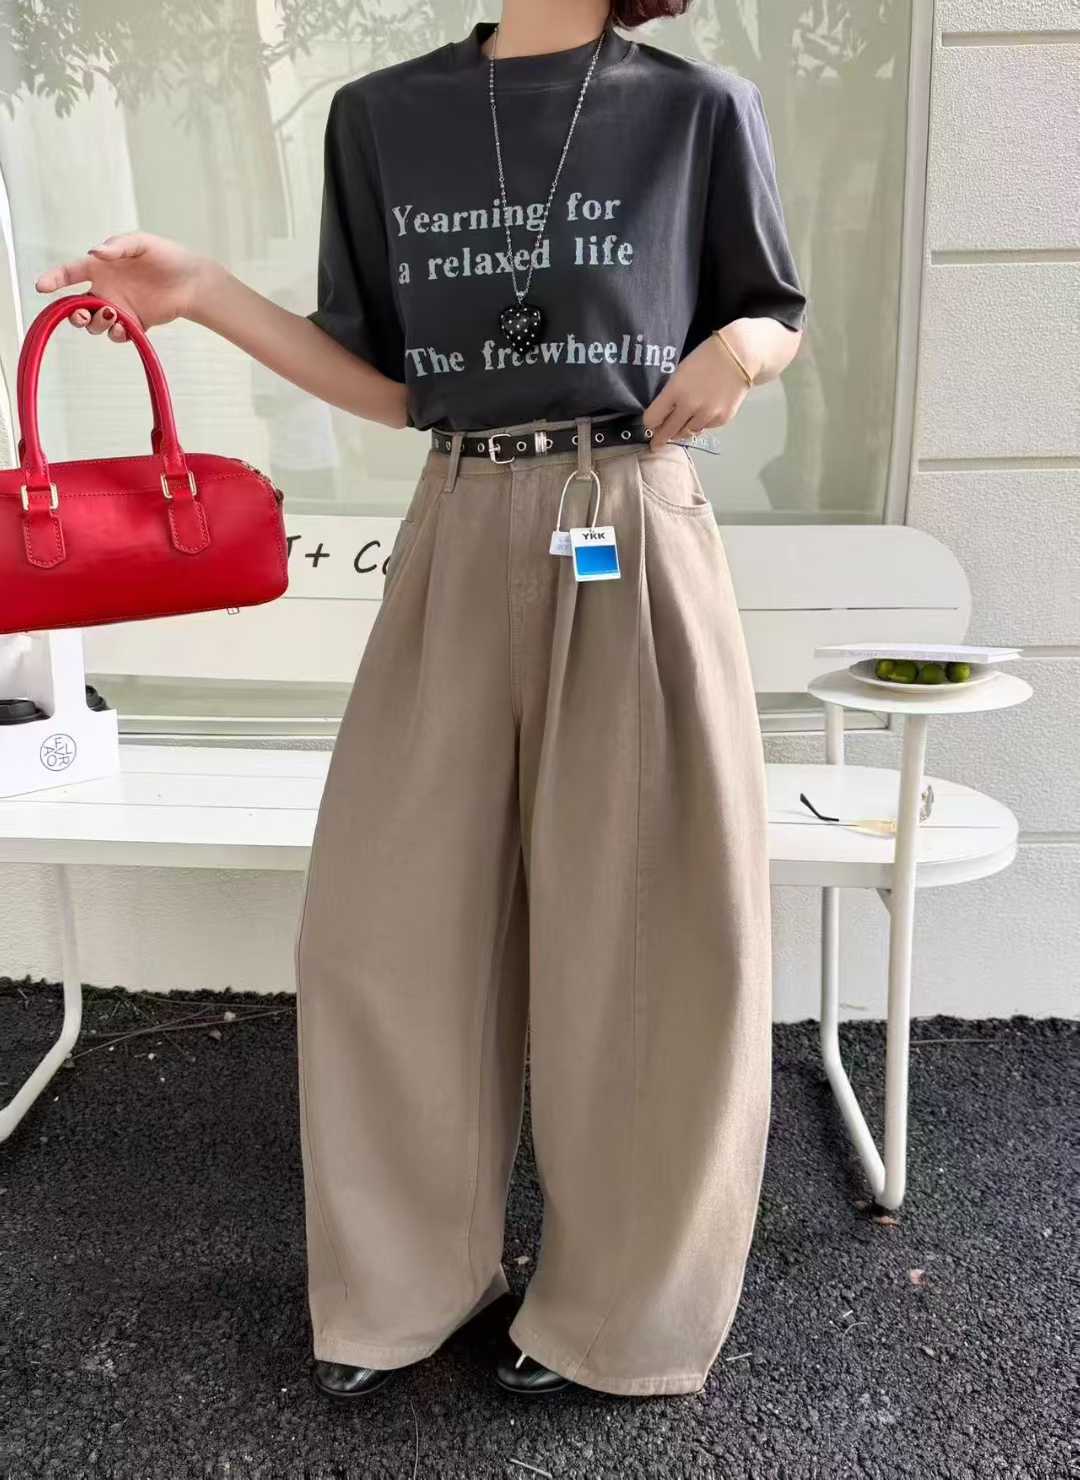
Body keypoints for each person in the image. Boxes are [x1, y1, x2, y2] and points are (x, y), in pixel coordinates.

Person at [36, 0, 807, 1402]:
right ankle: (405, 1285)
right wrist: (200, 292)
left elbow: (773, 309)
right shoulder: (384, 115)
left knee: (646, 927)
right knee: (387, 925)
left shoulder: (696, 109)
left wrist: (745, 348)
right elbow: (396, 387)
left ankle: (619, 1317)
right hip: (458, 515)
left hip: (629, 518)